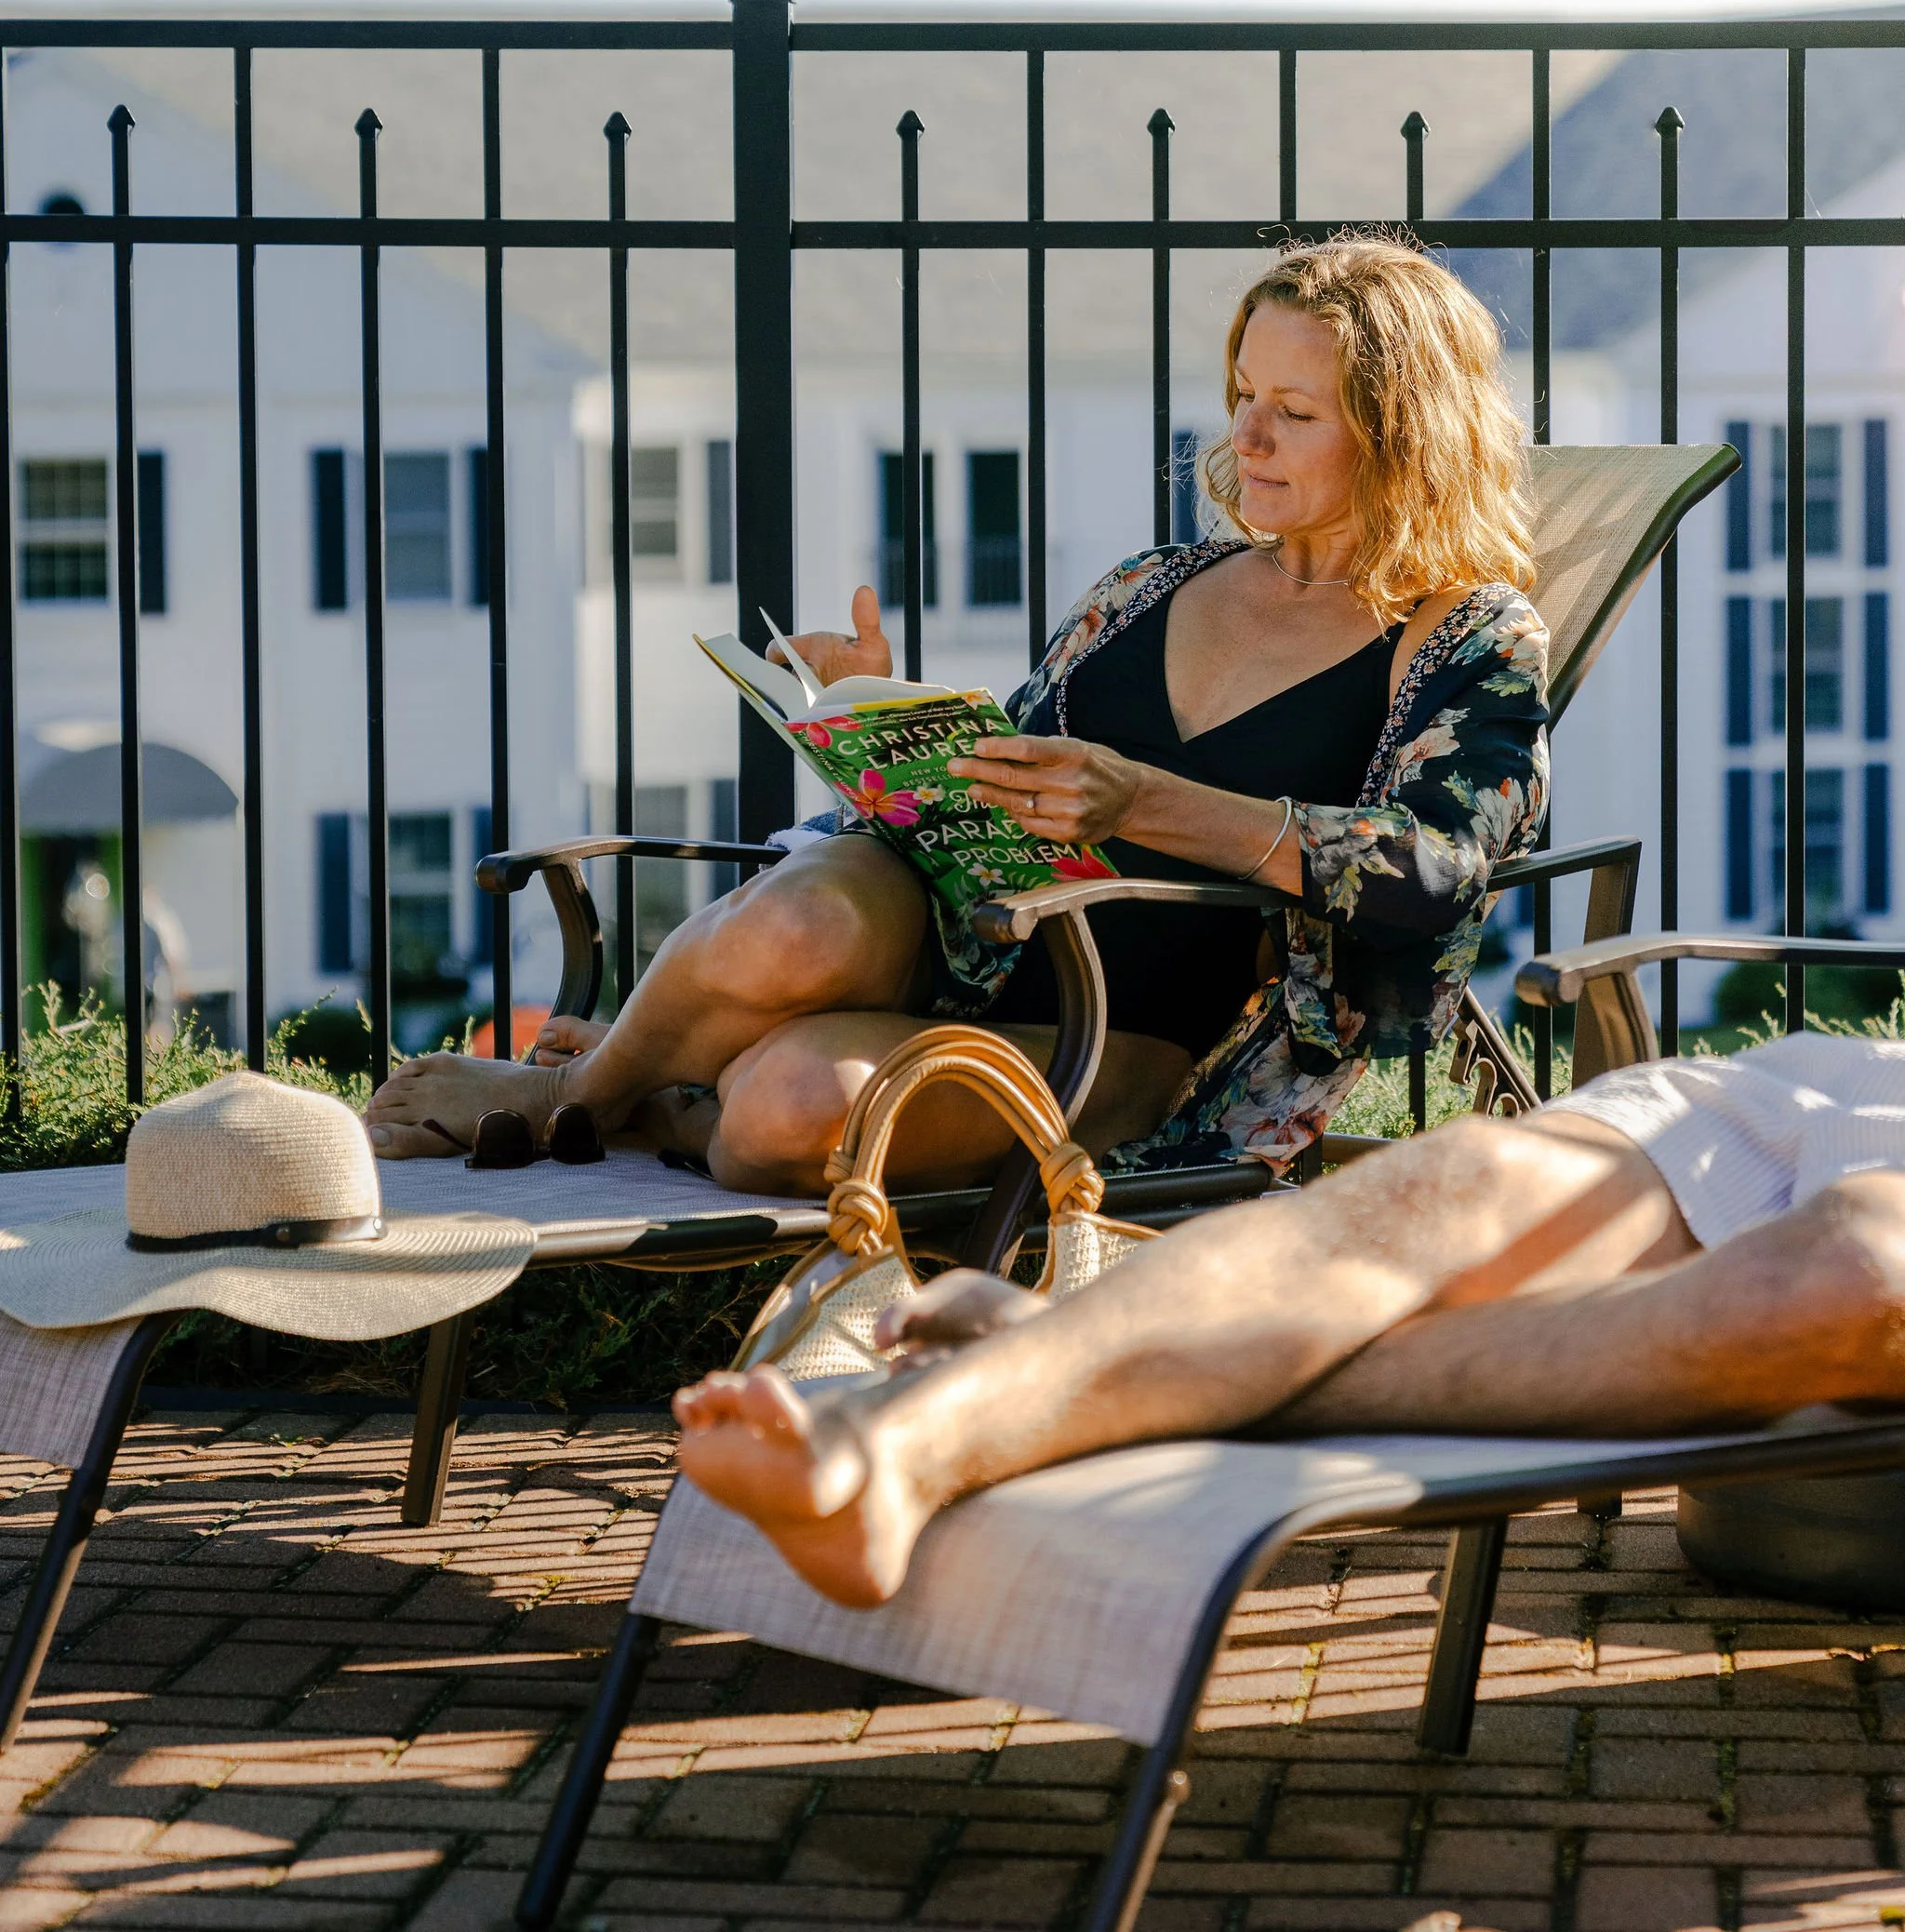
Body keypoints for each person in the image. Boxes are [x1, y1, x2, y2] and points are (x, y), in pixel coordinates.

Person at [366, 234, 1548, 1189]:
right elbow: (1000, 791)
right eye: (1241, 395)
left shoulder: (1464, 635)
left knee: (789, 1108)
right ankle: (571, 1099)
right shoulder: (1149, 587)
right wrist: (877, 720)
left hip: (1140, 1048)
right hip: (966, 954)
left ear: (1402, 432)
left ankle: (667, 1112)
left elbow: (1433, 875)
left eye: (1295, 410)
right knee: (793, 927)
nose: (1242, 438)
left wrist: (1148, 800)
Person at [673, 1030, 1905, 1607]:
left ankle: (1083, 1356)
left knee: (1860, 1277)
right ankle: (902, 1449)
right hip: (1835, 1098)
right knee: (1458, 1179)